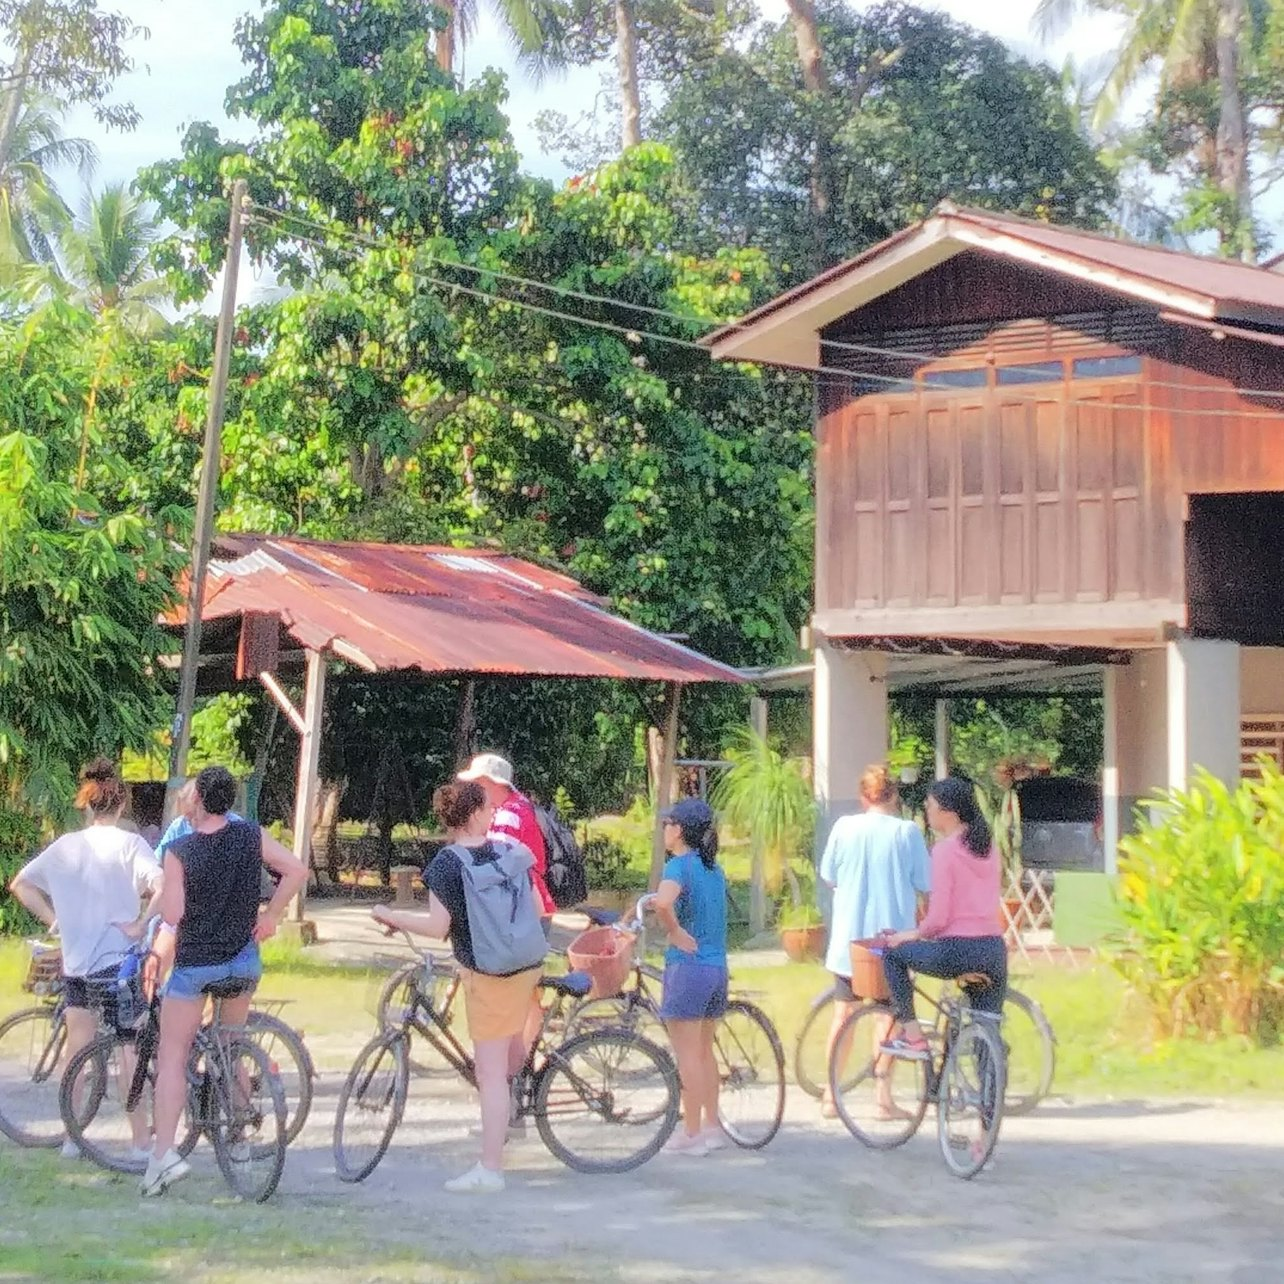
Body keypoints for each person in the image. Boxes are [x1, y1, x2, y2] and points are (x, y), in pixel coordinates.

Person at [373, 780, 546, 1194]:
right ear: (473, 814)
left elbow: (437, 927)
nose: (492, 813)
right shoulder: (508, 853)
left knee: (489, 1075)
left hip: (489, 973)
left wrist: (391, 915)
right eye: (487, 808)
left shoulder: (447, 865)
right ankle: (519, 1096)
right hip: (526, 963)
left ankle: (490, 1168)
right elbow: (538, 909)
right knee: (508, 1053)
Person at [143, 765, 307, 1197]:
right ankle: (236, 1140)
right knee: (231, 1045)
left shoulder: (179, 850)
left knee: (173, 1055)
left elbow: (174, 916)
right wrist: (270, 915)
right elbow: (295, 869)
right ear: (232, 800)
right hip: (242, 962)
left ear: (196, 800)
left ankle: (162, 1156)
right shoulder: (251, 836)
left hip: (197, 965)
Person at [8, 758, 163, 1160]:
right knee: (129, 1047)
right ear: (122, 802)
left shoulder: (64, 848)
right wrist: (142, 921)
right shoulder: (130, 845)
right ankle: (139, 1140)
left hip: (77, 963)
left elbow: (20, 884)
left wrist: (54, 918)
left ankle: (70, 1134)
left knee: (77, 1049)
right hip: (118, 963)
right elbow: (160, 884)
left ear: (86, 803)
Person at [818, 764, 930, 1118]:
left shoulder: (844, 828)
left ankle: (831, 1096)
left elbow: (829, 876)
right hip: (890, 941)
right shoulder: (906, 833)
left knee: (842, 1015)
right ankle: (883, 1097)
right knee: (889, 1017)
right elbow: (926, 883)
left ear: (862, 796)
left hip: (849, 942)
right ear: (894, 795)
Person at [879, 776, 1007, 1060]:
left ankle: (912, 1037)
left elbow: (938, 918)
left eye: (931, 804)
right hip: (993, 949)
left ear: (948, 812)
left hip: (957, 950)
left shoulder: (945, 851)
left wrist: (910, 934)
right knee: (988, 1028)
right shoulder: (989, 848)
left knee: (892, 954)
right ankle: (991, 1097)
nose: (926, 808)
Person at [457, 753, 554, 1052]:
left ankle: (521, 1059)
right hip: (528, 906)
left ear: (491, 784)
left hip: (524, 909)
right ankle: (521, 1060)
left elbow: (500, 868)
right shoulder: (516, 807)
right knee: (525, 989)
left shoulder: (507, 816)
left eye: (476, 782)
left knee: (521, 991)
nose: (471, 788)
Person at [653, 797, 728, 1157]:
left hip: (688, 968)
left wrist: (674, 932)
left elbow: (663, 903)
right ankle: (711, 1126)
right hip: (716, 968)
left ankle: (692, 1132)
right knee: (704, 1051)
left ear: (679, 830)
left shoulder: (678, 867)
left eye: (668, 824)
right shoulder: (713, 868)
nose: (665, 830)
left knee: (687, 1055)